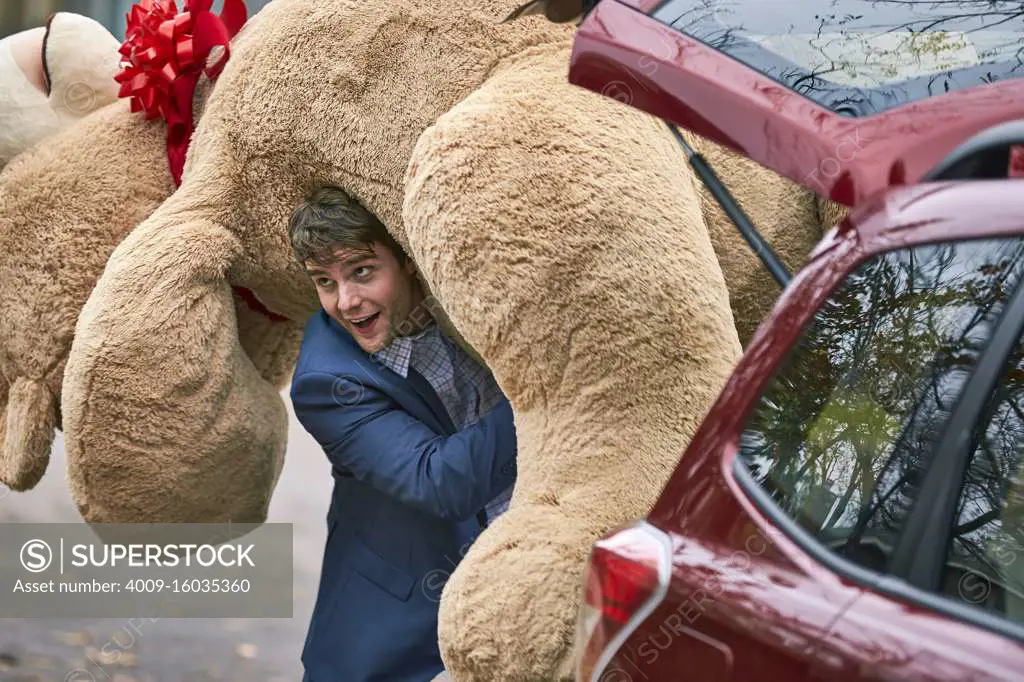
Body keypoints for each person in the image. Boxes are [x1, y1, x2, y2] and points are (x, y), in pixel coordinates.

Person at [289, 186, 517, 682]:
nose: (346, 301)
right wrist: (549, 391)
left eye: (362, 272)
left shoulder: (468, 300)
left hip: (515, 600)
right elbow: (440, 482)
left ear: (410, 260)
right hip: (396, 645)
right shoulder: (325, 382)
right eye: (324, 282)